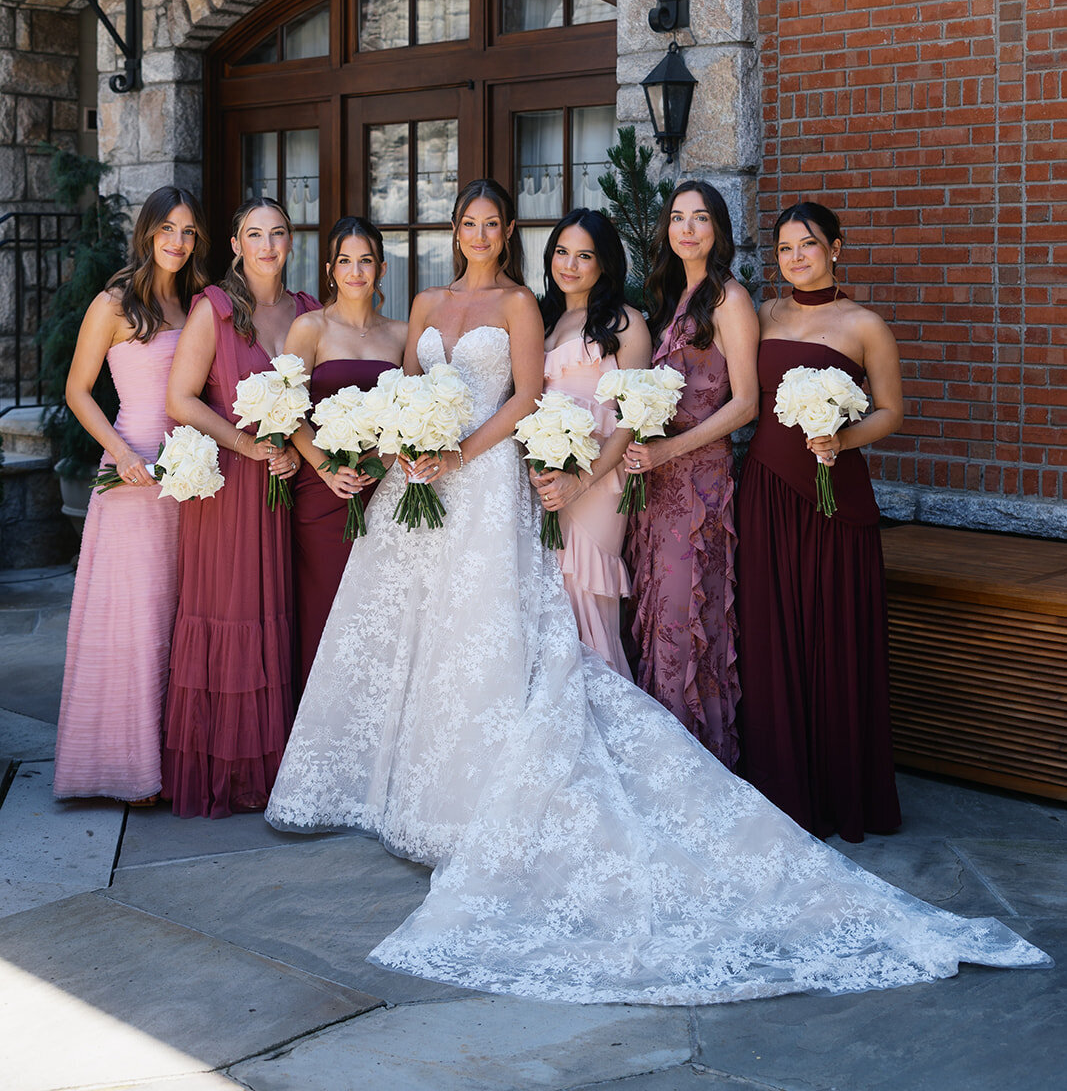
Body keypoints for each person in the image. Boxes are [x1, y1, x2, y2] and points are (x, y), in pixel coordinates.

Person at [266, 179, 1046, 1006]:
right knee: (429, 634)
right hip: (441, 480)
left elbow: (540, 397)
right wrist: (403, 446)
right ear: (457, 230)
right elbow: (404, 386)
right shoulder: (446, 301)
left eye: (497, 223)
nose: (484, 233)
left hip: (514, 477)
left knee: (510, 627)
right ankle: (409, 785)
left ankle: (522, 782)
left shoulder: (574, 311)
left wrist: (476, 458)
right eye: (470, 222)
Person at [736, 200, 905, 843]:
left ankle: (841, 792)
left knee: (833, 631)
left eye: (807, 245)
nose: (795, 257)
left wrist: (844, 436)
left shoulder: (865, 324)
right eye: (783, 249)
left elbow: (892, 410)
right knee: (771, 632)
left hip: (834, 495)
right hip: (768, 494)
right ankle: (781, 786)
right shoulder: (762, 316)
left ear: (835, 247)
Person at [161, 197, 318, 818]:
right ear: (235, 243)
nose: (268, 245)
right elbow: (181, 400)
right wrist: (248, 445)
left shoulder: (308, 311)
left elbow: (316, 401)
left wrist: (295, 452)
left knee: (279, 611)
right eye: (255, 234)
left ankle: (276, 764)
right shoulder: (215, 309)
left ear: (290, 242)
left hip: (288, 485)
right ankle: (226, 772)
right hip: (230, 487)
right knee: (232, 612)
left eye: (278, 234)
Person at [54, 186, 209, 805]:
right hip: (132, 476)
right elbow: (77, 390)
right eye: (166, 228)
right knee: (134, 620)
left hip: (192, 479)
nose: (177, 241)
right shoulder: (116, 303)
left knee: (180, 615)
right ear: (147, 232)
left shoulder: (199, 304)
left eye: (189, 231)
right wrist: (121, 453)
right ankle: (124, 768)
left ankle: (172, 759)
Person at [625, 181, 759, 769]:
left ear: (718, 230)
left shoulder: (729, 298)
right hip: (657, 484)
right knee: (657, 617)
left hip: (699, 482)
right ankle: (660, 763)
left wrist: (671, 448)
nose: (687, 228)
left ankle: (696, 768)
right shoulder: (672, 300)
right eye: (677, 218)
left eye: (699, 218)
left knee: (687, 621)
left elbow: (746, 402)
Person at [285, 217, 406, 693]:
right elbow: (288, 411)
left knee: (377, 613)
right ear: (330, 270)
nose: (356, 271)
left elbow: (407, 414)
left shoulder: (401, 334)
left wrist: (379, 460)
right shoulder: (308, 328)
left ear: (381, 268)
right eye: (345, 261)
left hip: (383, 487)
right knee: (324, 607)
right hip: (322, 490)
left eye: (365, 260)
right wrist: (326, 468)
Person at [531, 208, 650, 676]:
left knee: (585, 587)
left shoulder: (625, 324)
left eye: (585, 255)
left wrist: (580, 481)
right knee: (550, 594)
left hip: (599, 481)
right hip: (547, 478)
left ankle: (601, 701)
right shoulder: (545, 321)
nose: (570, 265)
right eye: (562, 252)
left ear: (605, 263)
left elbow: (631, 420)